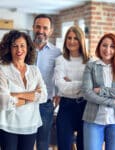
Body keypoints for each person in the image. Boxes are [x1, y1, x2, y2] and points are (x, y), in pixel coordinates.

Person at [82, 33, 115, 150]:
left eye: (112, 46)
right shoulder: (91, 66)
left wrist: (101, 90)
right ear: (99, 47)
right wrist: (111, 102)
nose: (108, 50)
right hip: (93, 120)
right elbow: (87, 93)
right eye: (104, 45)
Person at [0, 30, 47, 150]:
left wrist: (17, 95)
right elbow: (4, 101)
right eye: (14, 46)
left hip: (30, 124)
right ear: (9, 49)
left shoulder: (34, 70)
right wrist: (32, 96)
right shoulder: (2, 69)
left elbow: (43, 96)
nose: (19, 50)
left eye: (22, 45)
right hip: (8, 125)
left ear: (28, 48)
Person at [54, 25, 89, 150]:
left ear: (81, 40)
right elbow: (61, 87)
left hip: (85, 106)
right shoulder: (60, 60)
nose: (72, 41)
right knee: (64, 146)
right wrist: (83, 83)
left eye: (75, 38)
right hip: (66, 107)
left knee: (83, 146)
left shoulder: (90, 61)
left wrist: (71, 82)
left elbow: (90, 87)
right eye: (69, 38)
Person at [32, 14, 61, 150]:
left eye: (45, 28)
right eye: (38, 26)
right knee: (25, 140)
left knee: (43, 142)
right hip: (23, 103)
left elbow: (60, 75)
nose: (41, 30)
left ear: (50, 30)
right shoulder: (22, 49)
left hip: (45, 105)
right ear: (33, 27)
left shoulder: (57, 53)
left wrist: (59, 93)